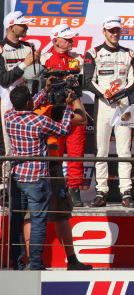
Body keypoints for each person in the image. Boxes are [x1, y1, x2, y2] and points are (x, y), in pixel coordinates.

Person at [7, 84, 73, 270]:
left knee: (16, 221)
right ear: (29, 102)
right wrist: (68, 107)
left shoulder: (8, 116)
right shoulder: (39, 121)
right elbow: (64, 130)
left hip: (17, 176)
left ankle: (17, 263)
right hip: (37, 178)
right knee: (38, 223)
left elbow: (26, 105)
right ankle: (35, 265)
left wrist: (44, 91)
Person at [31, 79, 93, 270]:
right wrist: (74, 98)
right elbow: (81, 120)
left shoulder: (20, 113)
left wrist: (45, 91)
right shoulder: (53, 111)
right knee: (61, 215)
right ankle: (71, 260)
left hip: (28, 167)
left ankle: (30, 262)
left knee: (29, 217)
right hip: (50, 165)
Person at [84, 16, 134, 208]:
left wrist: (120, 94)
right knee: (101, 151)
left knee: (125, 151)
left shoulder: (129, 53)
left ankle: (126, 192)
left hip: (123, 106)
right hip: (103, 106)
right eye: (111, 30)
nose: (115, 34)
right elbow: (88, 81)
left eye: (117, 30)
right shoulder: (93, 53)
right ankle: (101, 191)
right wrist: (107, 96)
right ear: (104, 31)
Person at [40, 24, 87, 208]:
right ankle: (55, 189)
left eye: (71, 38)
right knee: (54, 152)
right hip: (53, 112)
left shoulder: (78, 58)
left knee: (76, 152)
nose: (71, 41)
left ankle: (74, 190)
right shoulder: (44, 58)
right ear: (55, 40)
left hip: (74, 109)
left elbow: (85, 82)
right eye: (66, 39)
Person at [0, 11, 39, 193]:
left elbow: (35, 76)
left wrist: (36, 64)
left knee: (27, 144)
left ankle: (24, 183)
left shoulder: (29, 46)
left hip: (27, 103)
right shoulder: (1, 49)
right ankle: (3, 188)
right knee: (7, 146)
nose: (26, 27)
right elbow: (4, 80)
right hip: (5, 103)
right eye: (22, 25)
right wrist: (24, 63)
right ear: (11, 27)